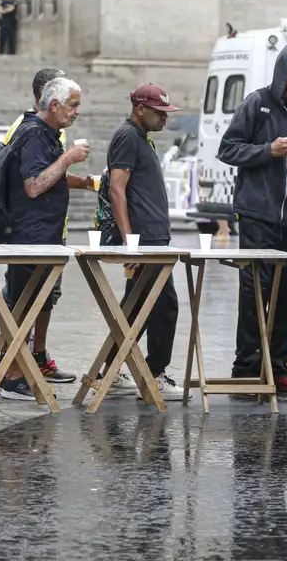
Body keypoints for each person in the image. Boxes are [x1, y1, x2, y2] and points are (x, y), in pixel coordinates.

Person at [217, 44, 287, 392]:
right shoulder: (256, 103)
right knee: (254, 292)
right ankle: (246, 370)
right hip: (257, 215)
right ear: (283, 73)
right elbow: (227, 149)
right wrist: (268, 150)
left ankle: (276, 369)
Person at [3, 67, 96, 383]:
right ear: (53, 105)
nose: (77, 112)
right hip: (29, 237)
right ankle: (12, 375)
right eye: (72, 104)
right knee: (24, 307)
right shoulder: (31, 133)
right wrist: (68, 158)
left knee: (36, 305)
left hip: (44, 237)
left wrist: (81, 181)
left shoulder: (47, 133)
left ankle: (23, 368)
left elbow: (49, 176)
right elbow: (34, 185)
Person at [101, 84, 184, 401]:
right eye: (159, 112)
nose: (164, 118)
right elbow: (117, 190)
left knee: (136, 309)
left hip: (152, 238)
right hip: (144, 241)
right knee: (163, 308)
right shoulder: (127, 138)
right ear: (140, 109)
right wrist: (129, 241)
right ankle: (153, 373)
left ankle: (110, 366)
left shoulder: (139, 139)